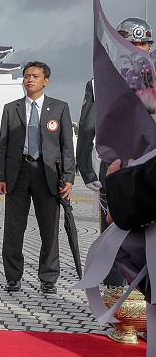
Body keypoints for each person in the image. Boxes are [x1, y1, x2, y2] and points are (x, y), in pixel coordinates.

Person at [76, 17, 153, 288]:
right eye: (132, 43)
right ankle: (116, 297)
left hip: (151, 167)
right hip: (115, 167)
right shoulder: (100, 82)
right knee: (115, 229)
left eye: (143, 43)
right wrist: (86, 169)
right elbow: (87, 128)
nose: (138, 49)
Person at [0, 61, 74, 294]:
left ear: (46, 81)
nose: (30, 79)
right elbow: (4, 145)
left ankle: (48, 278)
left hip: (47, 174)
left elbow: (66, 145)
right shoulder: (12, 108)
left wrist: (69, 176)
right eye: (27, 76)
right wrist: (1, 176)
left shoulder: (59, 108)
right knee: (13, 228)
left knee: (49, 228)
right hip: (17, 172)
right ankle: (12, 277)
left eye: (35, 76)